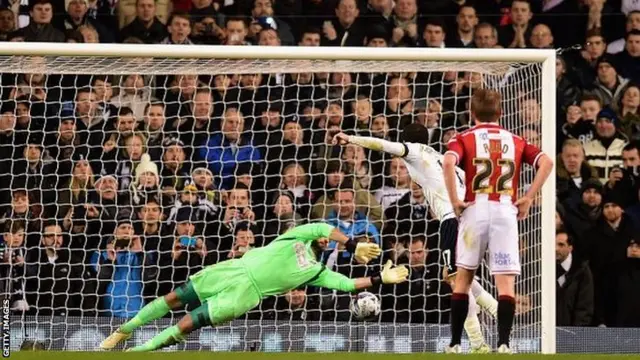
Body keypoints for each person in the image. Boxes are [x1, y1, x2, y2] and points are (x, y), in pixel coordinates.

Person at [100, 223, 407, 352]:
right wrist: (352, 244)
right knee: (174, 297)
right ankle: (125, 330)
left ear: (326, 250)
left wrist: (380, 280)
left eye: (330, 241)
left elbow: (344, 283)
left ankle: (139, 351)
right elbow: (320, 227)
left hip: (247, 294)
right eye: (328, 237)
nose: (327, 238)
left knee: (187, 323)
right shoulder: (296, 237)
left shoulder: (315, 271)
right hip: (234, 269)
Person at [332, 124, 497, 353]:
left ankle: (478, 344)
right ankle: (496, 310)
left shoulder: (416, 151)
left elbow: (383, 145)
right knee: (453, 275)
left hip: (455, 219)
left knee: (456, 280)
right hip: (475, 217)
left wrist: (350, 137)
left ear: (407, 141)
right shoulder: (442, 159)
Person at [441, 89, 553, 353]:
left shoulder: (464, 138)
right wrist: (528, 196)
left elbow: (447, 162)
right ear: (501, 113)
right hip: (505, 211)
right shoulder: (516, 140)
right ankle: (503, 344)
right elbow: (546, 161)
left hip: (474, 210)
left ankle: (456, 344)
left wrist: (455, 199)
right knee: (505, 284)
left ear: (472, 113)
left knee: (463, 279)